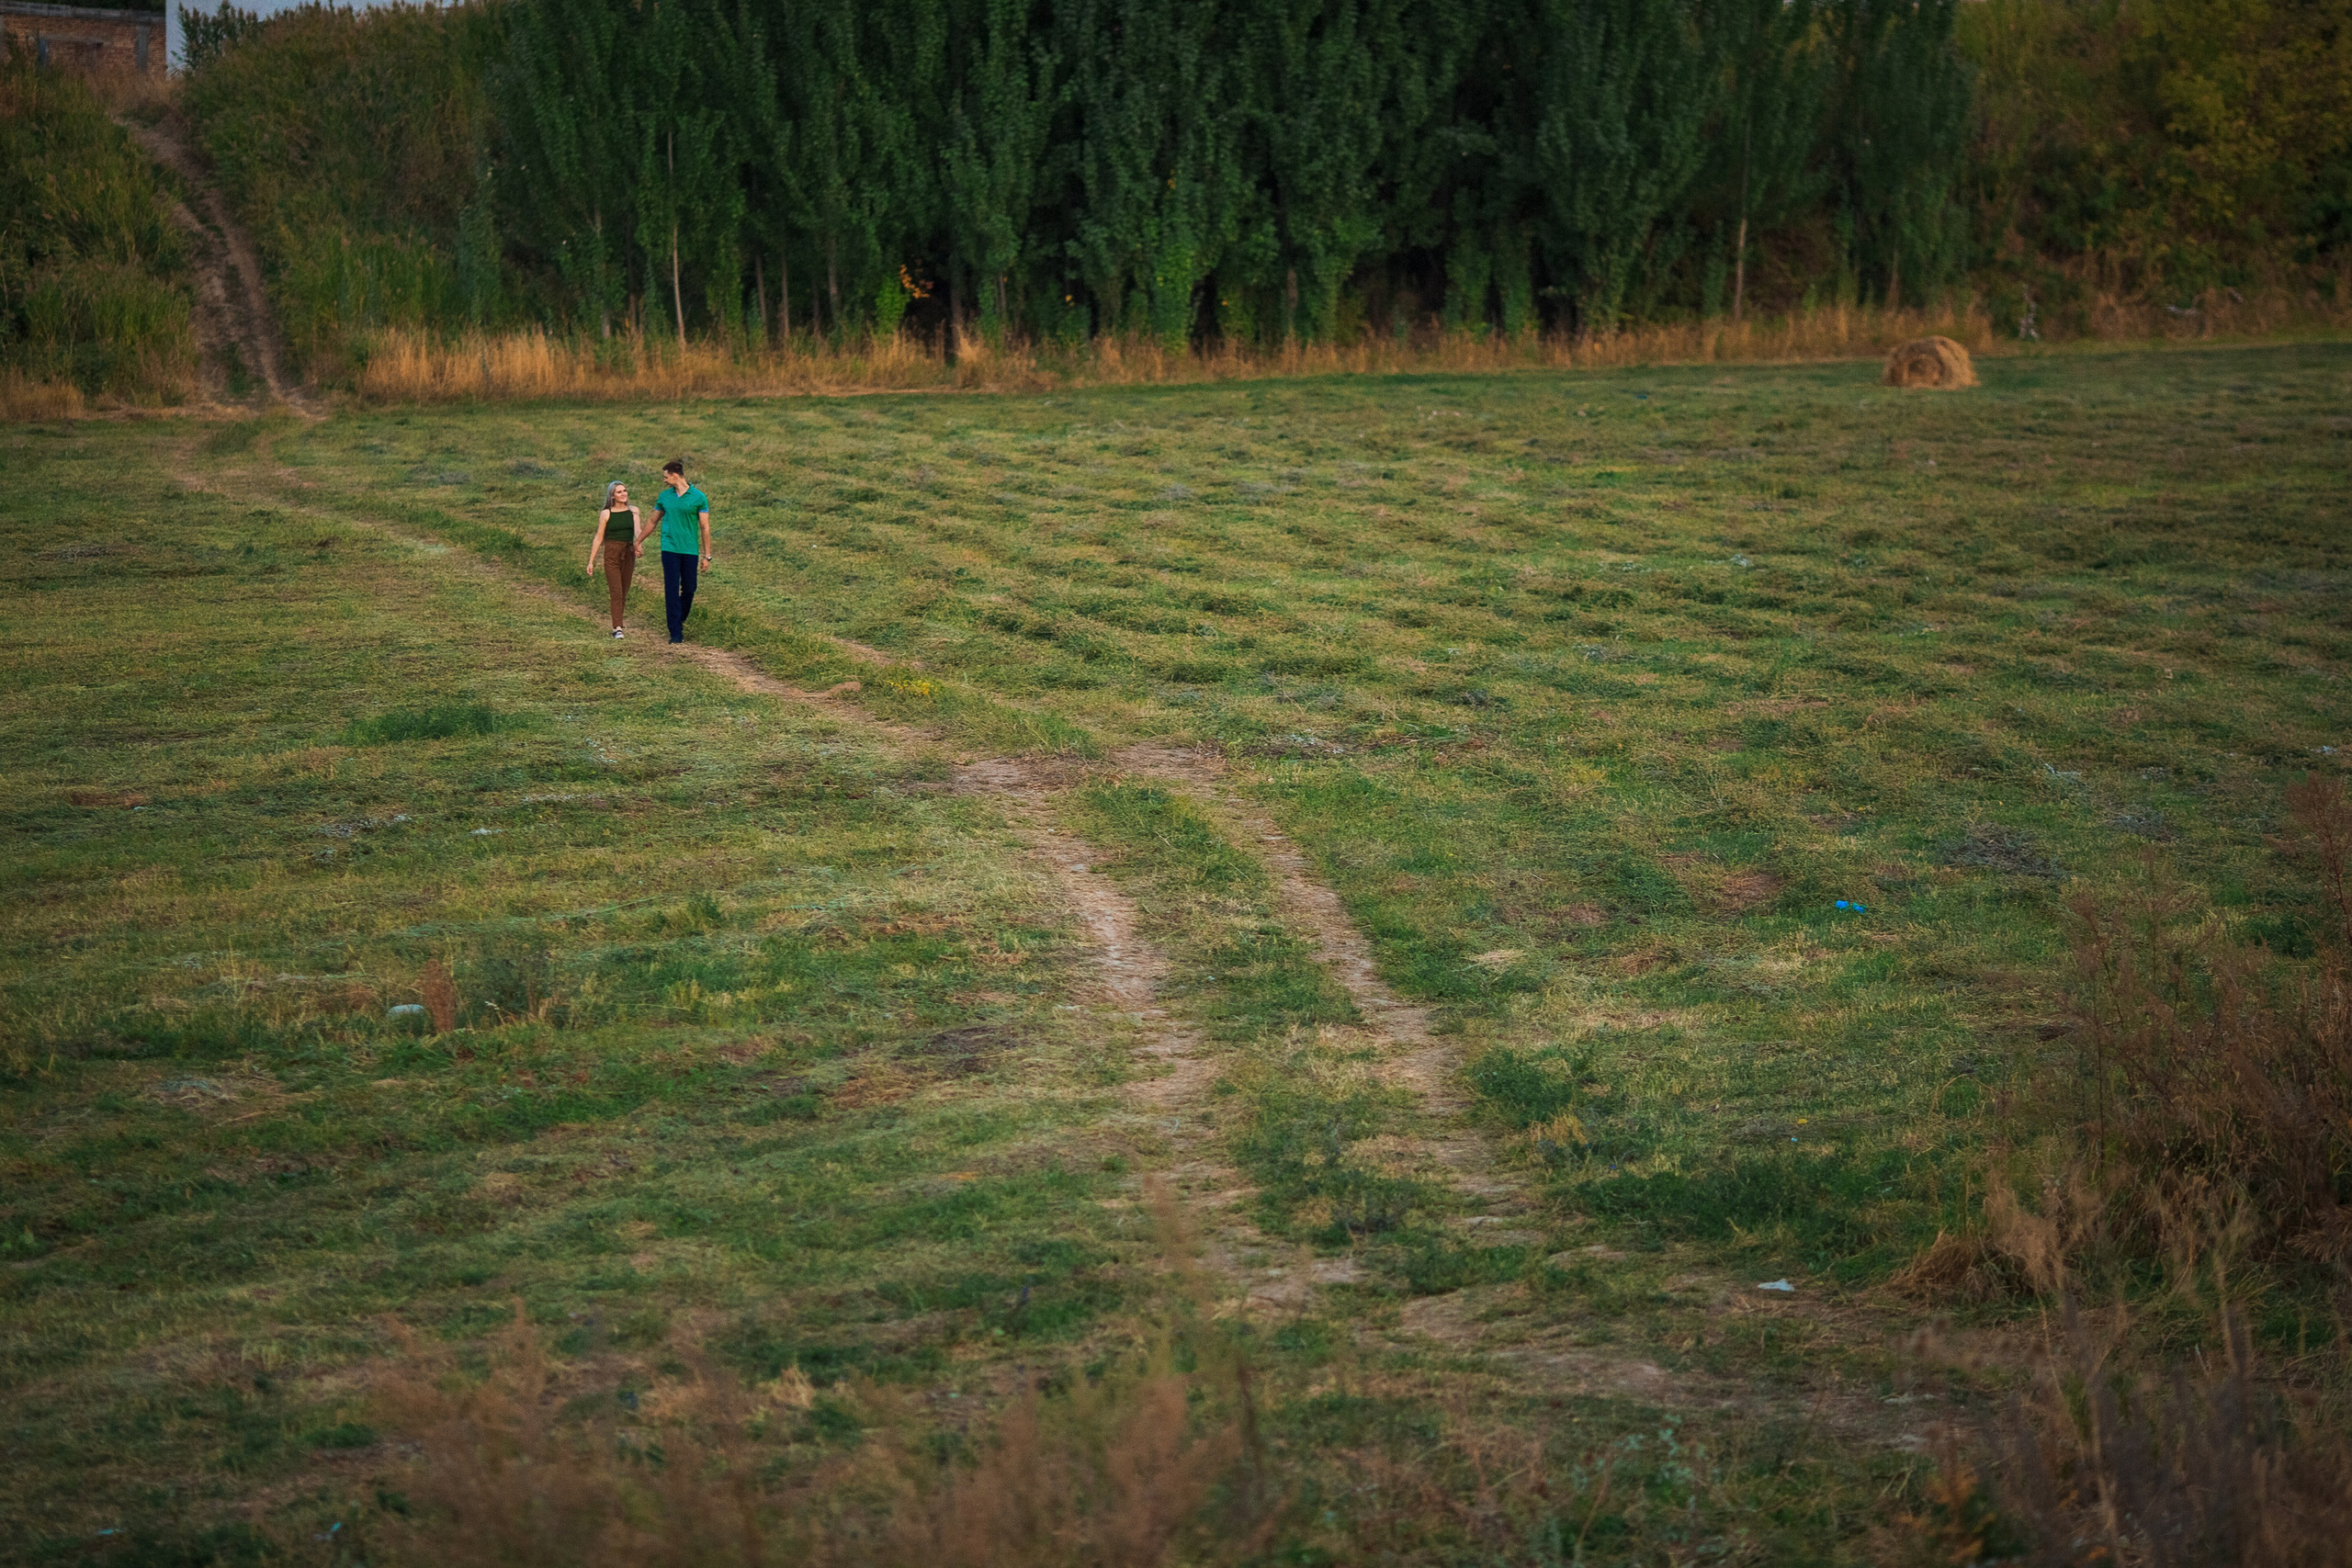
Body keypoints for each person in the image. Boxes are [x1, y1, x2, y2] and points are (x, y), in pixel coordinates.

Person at [650, 458, 712, 644]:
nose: (664, 480)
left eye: (666, 477)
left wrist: (707, 555)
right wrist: (638, 541)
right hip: (669, 548)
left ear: (675, 475)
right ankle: (675, 633)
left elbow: (705, 527)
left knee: (690, 588)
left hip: (690, 550)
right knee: (671, 589)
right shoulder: (664, 496)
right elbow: (653, 521)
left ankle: (679, 618)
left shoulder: (699, 497)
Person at [584, 480, 641, 638]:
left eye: (625, 491)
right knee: (616, 591)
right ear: (612, 496)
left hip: (628, 553)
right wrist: (591, 561)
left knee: (624, 590)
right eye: (619, 492)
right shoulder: (606, 513)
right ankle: (617, 628)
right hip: (612, 554)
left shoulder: (634, 511)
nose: (623, 494)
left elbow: (638, 530)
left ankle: (619, 622)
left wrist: (638, 545)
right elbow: (598, 537)